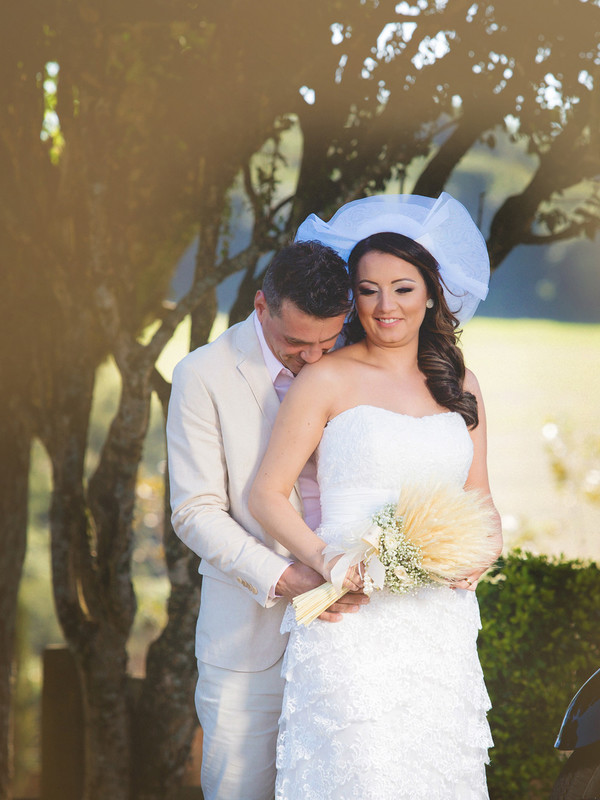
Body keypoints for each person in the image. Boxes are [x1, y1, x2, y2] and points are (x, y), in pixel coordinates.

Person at [248, 193, 502, 799]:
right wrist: (328, 559)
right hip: (351, 620)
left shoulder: (459, 384)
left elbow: (482, 498)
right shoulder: (325, 379)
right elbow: (267, 494)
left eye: (403, 288)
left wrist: (486, 552)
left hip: (438, 620)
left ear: (433, 293)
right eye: (368, 290)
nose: (385, 306)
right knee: (360, 772)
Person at [166, 240, 368, 800]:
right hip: (247, 637)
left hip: (354, 631)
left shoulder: (356, 364)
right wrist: (287, 578)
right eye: (296, 342)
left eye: (328, 341)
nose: (312, 358)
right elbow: (194, 511)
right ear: (261, 306)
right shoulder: (202, 374)